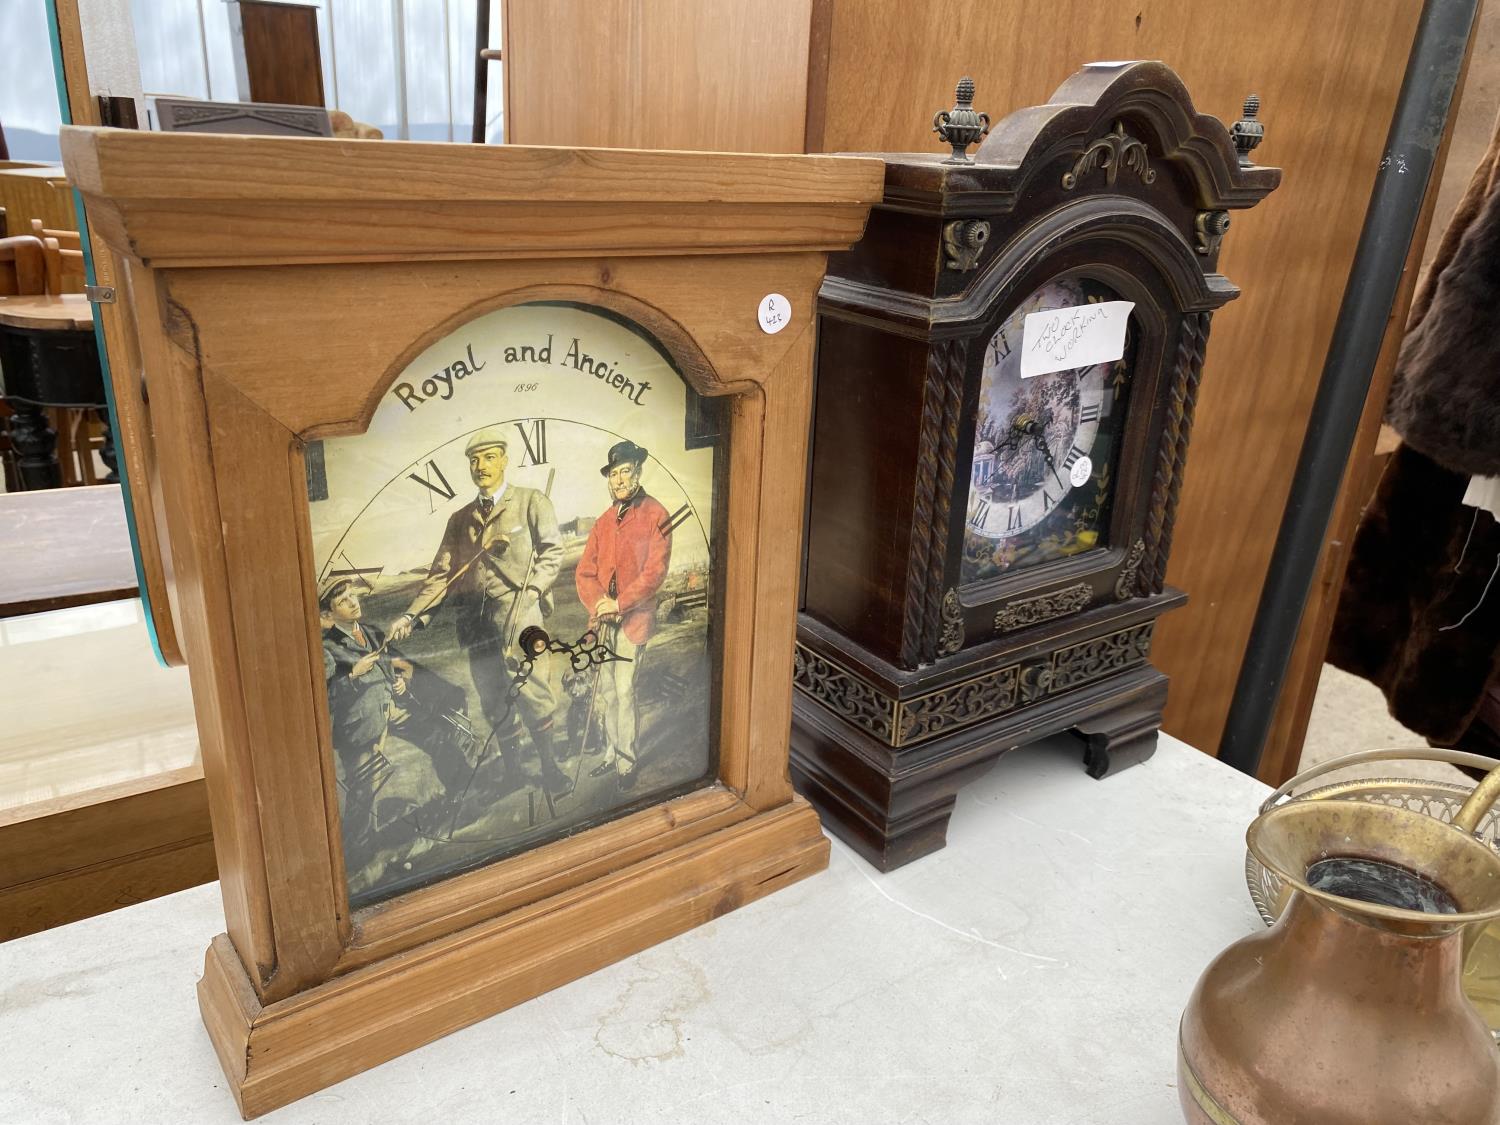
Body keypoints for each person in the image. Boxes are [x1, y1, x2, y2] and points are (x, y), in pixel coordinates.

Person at [389, 428, 573, 797]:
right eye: (474, 460)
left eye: (489, 457)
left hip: (522, 617)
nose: (481, 466)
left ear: (505, 460)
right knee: (492, 699)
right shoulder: (459, 519)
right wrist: (411, 616)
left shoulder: (530, 502)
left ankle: (551, 770)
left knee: (533, 693)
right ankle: (513, 772)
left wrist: (535, 589)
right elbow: (441, 575)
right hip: (475, 624)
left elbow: (553, 553)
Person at [575, 440, 672, 789]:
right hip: (603, 623)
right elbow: (584, 572)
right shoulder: (602, 523)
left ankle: (625, 762)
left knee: (624, 689)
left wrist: (620, 604)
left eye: (625, 471)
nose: (618, 480)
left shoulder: (657, 515)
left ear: (639, 472)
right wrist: (600, 604)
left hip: (634, 620)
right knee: (605, 693)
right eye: (613, 473)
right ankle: (610, 754)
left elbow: (654, 573)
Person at [320, 577, 406, 870]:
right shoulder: (326, 647)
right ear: (329, 615)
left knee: (373, 782)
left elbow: (386, 666)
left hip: (383, 715)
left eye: (354, 595)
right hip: (355, 729)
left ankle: (366, 843)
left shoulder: (369, 631)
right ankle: (355, 854)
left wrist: (398, 685)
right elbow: (323, 696)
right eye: (344, 601)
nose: (354, 602)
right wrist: (353, 675)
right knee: (363, 788)